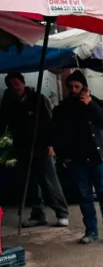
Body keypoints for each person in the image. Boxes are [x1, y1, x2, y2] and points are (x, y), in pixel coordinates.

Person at [52, 70, 103, 245]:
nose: (73, 90)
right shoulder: (62, 109)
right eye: (70, 86)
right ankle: (91, 231)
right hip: (77, 160)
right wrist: (63, 156)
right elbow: (56, 133)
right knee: (84, 197)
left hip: (98, 158)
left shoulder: (98, 104)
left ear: (84, 87)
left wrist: (90, 104)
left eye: (77, 86)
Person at [0, 71, 69, 228]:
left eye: (16, 83)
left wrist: (51, 143)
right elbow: (3, 122)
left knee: (49, 181)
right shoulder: (9, 101)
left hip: (41, 146)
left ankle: (62, 213)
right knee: (30, 183)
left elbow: (50, 122)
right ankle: (38, 214)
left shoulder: (38, 99)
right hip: (22, 147)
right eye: (11, 85)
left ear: (23, 83)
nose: (14, 87)